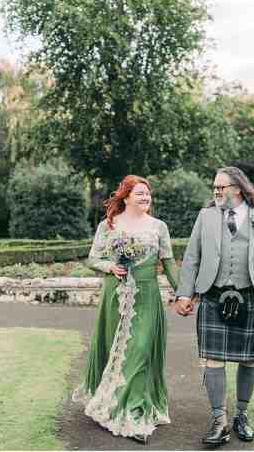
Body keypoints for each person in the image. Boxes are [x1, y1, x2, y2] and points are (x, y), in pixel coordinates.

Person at [174, 166, 254, 447]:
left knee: (250, 359)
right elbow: (192, 257)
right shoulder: (206, 216)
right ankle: (219, 420)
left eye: (221, 186)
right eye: (214, 186)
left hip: (251, 298)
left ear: (237, 188)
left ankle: (242, 415)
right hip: (213, 296)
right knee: (213, 358)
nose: (216, 191)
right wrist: (184, 294)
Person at [73, 175, 178, 444]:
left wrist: (182, 293)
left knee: (140, 349)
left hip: (146, 295)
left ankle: (132, 411)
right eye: (140, 193)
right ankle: (111, 400)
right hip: (116, 295)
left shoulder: (158, 227)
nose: (146, 198)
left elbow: (168, 263)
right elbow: (93, 258)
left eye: (148, 194)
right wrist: (111, 266)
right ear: (126, 196)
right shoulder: (109, 225)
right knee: (114, 349)